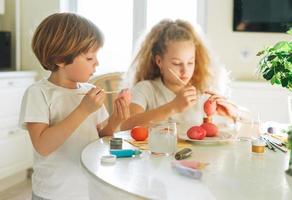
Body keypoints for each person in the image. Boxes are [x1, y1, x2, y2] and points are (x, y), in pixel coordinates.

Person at [19, 13, 129, 200]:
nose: (97, 63)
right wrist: (83, 110)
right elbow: (43, 146)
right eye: (89, 58)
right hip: (53, 193)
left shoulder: (90, 91)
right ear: (60, 59)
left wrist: (117, 119)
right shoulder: (38, 93)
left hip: (88, 189)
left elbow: (101, 137)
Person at [121, 19, 249, 131]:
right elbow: (126, 125)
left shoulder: (201, 92)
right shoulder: (146, 89)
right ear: (159, 61)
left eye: (190, 62)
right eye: (177, 63)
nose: (185, 70)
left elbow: (249, 123)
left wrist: (233, 113)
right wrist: (173, 107)